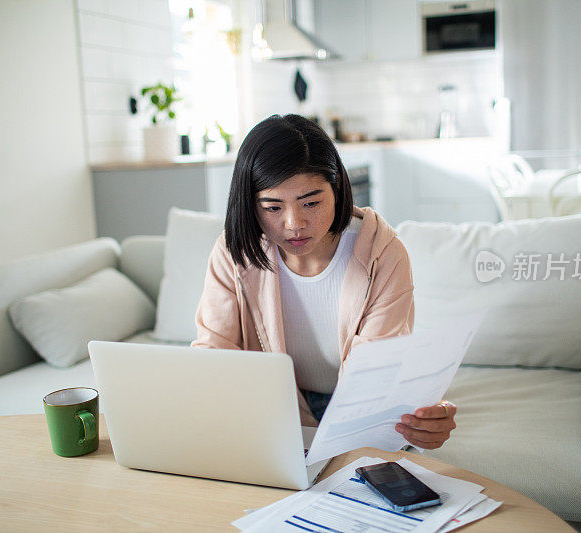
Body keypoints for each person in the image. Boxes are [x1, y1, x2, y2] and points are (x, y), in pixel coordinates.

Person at [191, 114, 456, 451]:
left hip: (358, 406)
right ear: (251, 206)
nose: (294, 224)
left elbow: (375, 373)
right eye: (272, 207)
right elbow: (215, 352)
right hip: (274, 408)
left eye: (311, 203)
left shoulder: (383, 253)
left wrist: (417, 417)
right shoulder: (234, 251)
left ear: (338, 189)